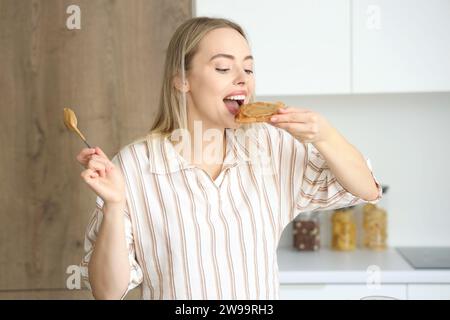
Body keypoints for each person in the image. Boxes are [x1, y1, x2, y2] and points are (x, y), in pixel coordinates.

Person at [78, 17, 382, 300]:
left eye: (248, 70)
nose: (242, 80)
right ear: (182, 80)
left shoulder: (269, 147)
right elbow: (107, 291)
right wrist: (115, 207)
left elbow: (365, 189)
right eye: (223, 68)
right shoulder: (134, 165)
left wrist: (325, 135)